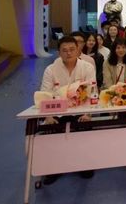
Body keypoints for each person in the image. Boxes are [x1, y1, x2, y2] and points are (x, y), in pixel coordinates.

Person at [39, 36, 96, 185]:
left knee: (84, 129)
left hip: (81, 110)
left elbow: (92, 92)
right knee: (51, 131)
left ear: (78, 50)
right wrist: (49, 116)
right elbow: (45, 94)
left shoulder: (87, 67)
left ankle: (84, 165)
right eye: (64, 50)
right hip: (57, 112)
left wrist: (88, 113)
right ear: (59, 52)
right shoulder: (50, 69)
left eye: (72, 49)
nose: (68, 53)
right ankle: (54, 169)